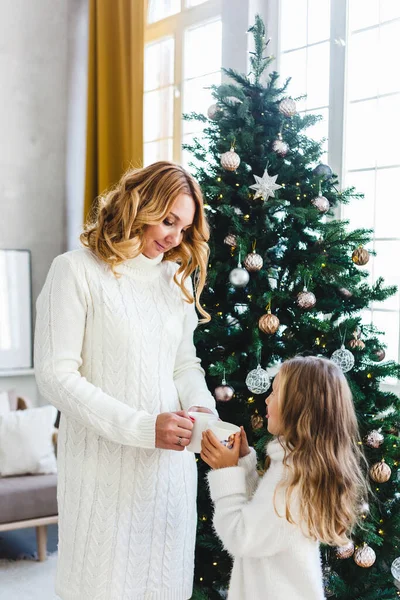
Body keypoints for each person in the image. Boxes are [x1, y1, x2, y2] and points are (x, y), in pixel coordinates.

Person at [34, 161, 217, 600]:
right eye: (168, 220)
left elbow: (183, 364)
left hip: (169, 473)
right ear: (139, 204)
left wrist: (203, 409)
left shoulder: (175, 281)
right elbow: (56, 376)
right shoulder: (75, 271)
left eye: (184, 227)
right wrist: (141, 427)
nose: (174, 237)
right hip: (103, 473)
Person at [201, 356, 369, 600]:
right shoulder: (297, 466)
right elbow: (260, 520)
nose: (267, 399)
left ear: (299, 406)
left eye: (275, 391)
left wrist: (226, 472)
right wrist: (244, 461)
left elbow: (242, 536)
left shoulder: (294, 478)